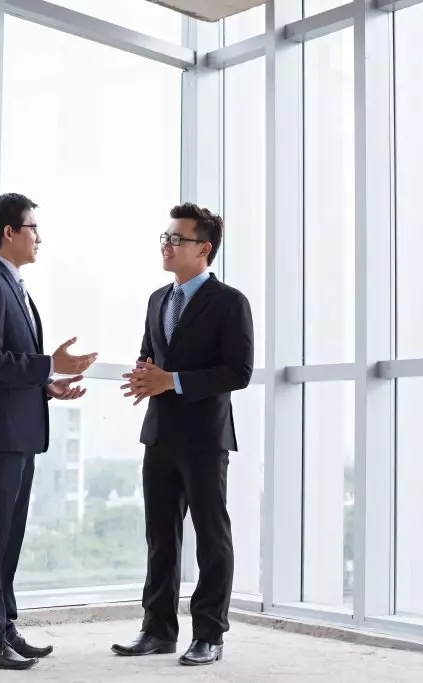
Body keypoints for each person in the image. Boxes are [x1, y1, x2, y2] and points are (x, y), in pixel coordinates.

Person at [0, 192, 98, 670]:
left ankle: (2, 624)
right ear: (10, 233)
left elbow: (11, 366)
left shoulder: (15, 286)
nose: (39, 236)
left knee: (6, 539)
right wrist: (46, 363)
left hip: (17, 434)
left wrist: (47, 384)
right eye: (33, 227)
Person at [113, 203, 253, 667]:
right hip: (159, 435)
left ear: (204, 249)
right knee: (160, 537)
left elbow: (238, 371)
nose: (167, 246)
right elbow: (150, 352)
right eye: (165, 238)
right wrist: (144, 374)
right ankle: (156, 630)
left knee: (212, 538)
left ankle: (209, 635)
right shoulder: (157, 299)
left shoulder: (230, 302)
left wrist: (170, 380)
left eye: (177, 239)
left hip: (204, 437)